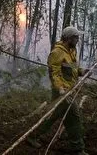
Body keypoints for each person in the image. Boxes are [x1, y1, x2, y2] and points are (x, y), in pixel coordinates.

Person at [27, 26, 90, 155]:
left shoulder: (71, 51)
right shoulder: (57, 52)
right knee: (74, 117)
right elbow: (54, 74)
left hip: (69, 90)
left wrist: (82, 71)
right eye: (76, 37)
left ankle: (32, 136)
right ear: (68, 38)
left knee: (53, 115)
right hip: (61, 91)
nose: (78, 40)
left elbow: (72, 68)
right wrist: (60, 89)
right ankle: (78, 149)